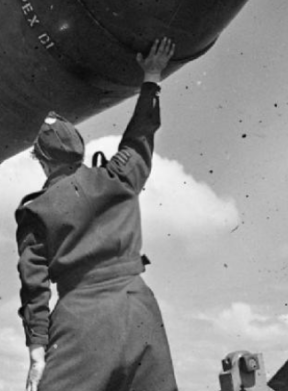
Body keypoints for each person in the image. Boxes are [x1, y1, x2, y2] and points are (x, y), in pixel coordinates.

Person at [15, 37, 178, 391]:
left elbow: (35, 289)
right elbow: (140, 136)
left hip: (83, 320)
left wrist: (36, 353)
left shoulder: (36, 213)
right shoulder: (119, 176)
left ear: (43, 161)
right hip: (139, 309)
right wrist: (151, 77)